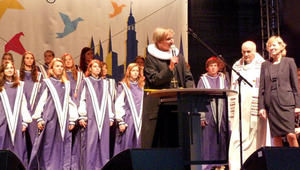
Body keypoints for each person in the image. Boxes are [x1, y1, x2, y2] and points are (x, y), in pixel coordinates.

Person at [141, 27, 194, 148]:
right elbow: (154, 80)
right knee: (160, 143)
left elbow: (188, 77)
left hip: (179, 105)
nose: (172, 42)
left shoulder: (178, 56)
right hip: (159, 108)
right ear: (159, 42)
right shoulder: (151, 59)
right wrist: (169, 68)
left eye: (172, 38)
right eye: (168, 39)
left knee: (178, 142)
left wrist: (189, 91)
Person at [29, 58, 78, 170]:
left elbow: (71, 102)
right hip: (50, 118)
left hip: (64, 119)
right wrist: (40, 118)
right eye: (57, 66)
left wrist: (72, 119)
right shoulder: (47, 83)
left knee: (63, 143)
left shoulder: (67, 84)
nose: (60, 68)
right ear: (51, 69)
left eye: (61, 66)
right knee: (49, 145)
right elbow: (41, 101)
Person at [228, 41, 269, 170]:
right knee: (237, 138)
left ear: (255, 51)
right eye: (243, 51)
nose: (245, 54)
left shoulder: (262, 65)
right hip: (240, 109)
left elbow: (265, 88)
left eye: (249, 51)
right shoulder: (236, 66)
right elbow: (232, 89)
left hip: (255, 108)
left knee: (255, 138)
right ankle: (236, 165)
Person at [258, 36, 300, 148]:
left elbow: (295, 86)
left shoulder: (289, 62)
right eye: (269, 46)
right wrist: (261, 106)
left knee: (291, 135)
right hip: (271, 105)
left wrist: (297, 105)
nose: (271, 48)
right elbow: (261, 88)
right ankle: (280, 163)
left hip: (287, 104)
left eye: (274, 45)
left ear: (281, 47)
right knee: (276, 136)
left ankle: (296, 161)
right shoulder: (265, 65)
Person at [78, 59, 114, 169]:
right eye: (94, 66)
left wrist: (111, 117)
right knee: (90, 144)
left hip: (104, 117)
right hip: (90, 117)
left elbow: (109, 100)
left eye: (99, 67)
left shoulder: (105, 83)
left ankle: (103, 167)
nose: (97, 69)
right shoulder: (86, 82)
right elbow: (82, 99)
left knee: (103, 145)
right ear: (90, 68)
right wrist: (82, 116)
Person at [196, 57, 228, 169]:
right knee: (209, 139)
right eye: (211, 66)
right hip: (208, 112)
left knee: (223, 137)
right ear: (207, 68)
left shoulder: (223, 79)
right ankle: (208, 165)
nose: (213, 68)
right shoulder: (203, 80)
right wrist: (202, 117)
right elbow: (199, 99)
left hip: (222, 112)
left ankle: (222, 163)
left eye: (215, 65)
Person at [0, 61, 32, 168]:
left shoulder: (19, 86)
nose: (9, 70)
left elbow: (23, 104)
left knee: (18, 148)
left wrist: (25, 122)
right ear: (3, 71)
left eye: (11, 68)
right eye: (7, 68)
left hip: (17, 122)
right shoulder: (1, 87)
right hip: (3, 121)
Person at [114, 63, 145, 155]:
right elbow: (119, 104)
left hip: (140, 120)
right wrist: (120, 121)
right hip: (129, 119)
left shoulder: (142, 86)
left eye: (137, 71)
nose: (135, 73)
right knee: (128, 144)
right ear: (129, 72)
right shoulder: (123, 85)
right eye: (133, 71)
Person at [61, 53, 84, 169]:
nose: (68, 61)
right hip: (66, 109)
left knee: (77, 139)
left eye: (70, 59)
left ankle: (75, 165)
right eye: (66, 60)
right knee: (66, 137)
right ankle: (65, 163)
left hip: (78, 107)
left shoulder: (80, 75)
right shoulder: (61, 75)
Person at [19, 51, 42, 159]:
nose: (29, 60)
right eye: (27, 58)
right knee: (21, 142)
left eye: (31, 58)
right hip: (21, 112)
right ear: (23, 60)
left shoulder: (39, 75)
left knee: (34, 142)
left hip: (34, 112)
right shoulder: (17, 75)